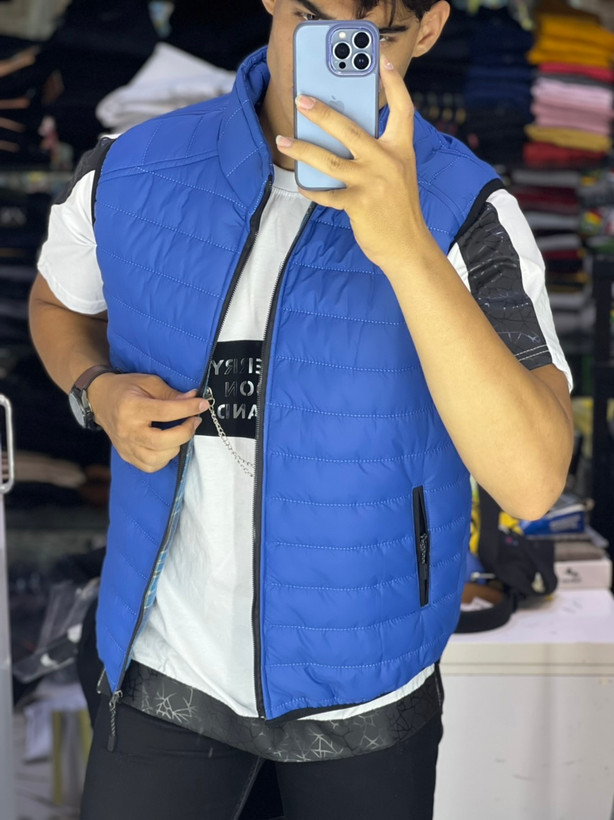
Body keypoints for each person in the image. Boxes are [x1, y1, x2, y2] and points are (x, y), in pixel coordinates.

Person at [29, 1, 574, 818]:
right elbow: (56, 304)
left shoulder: (467, 209)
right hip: (163, 663)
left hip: (367, 683)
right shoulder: (132, 166)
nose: (335, 57)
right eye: (311, 19)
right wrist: (97, 391)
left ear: (430, 28)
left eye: (373, 38)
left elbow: (532, 483)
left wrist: (407, 244)